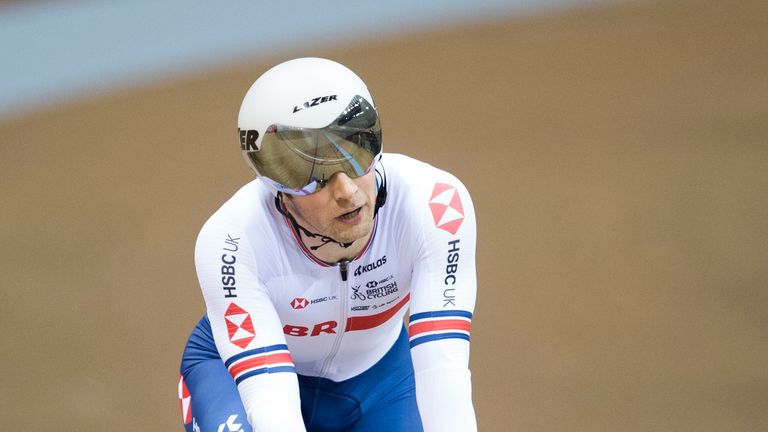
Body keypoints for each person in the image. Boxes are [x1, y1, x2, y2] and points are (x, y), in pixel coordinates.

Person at [178, 57, 478, 432]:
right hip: (240, 379)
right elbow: (270, 399)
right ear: (276, 185)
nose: (347, 191)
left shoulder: (435, 205)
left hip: (381, 384)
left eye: (356, 153)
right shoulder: (232, 240)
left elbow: (443, 369)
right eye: (313, 175)